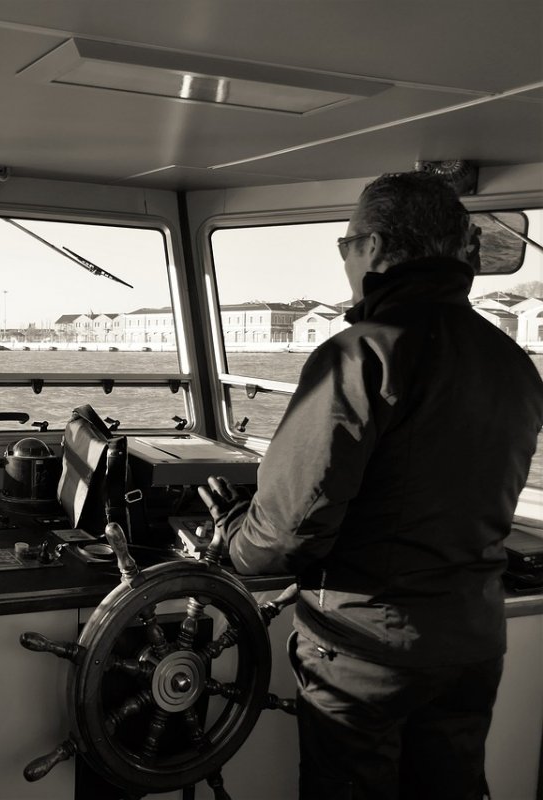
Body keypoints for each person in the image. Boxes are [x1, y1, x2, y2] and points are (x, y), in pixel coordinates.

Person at [198, 171, 543, 800]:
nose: (345, 261)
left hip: (367, 652)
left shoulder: (357, 356)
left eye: (345, 245)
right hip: (472, 643)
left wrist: (232, 539)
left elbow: (286, 534)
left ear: (374, 248)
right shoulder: (512, 362)